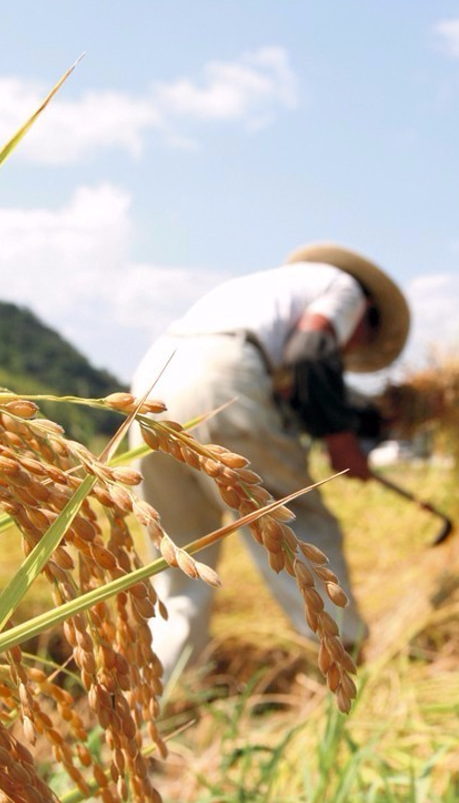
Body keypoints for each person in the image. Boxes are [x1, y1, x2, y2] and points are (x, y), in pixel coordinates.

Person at [130, 242, 410, 682]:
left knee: (179, 555)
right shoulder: (345, 290)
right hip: (221, 379)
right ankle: (345, 668)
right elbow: (311, 355)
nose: (351, 351)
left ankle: (160, 697)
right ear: (367, 313)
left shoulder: (256, 294)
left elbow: (294, 383)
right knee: (295, 525)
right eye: (362, 342)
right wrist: (342, 443)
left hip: (150, 383)